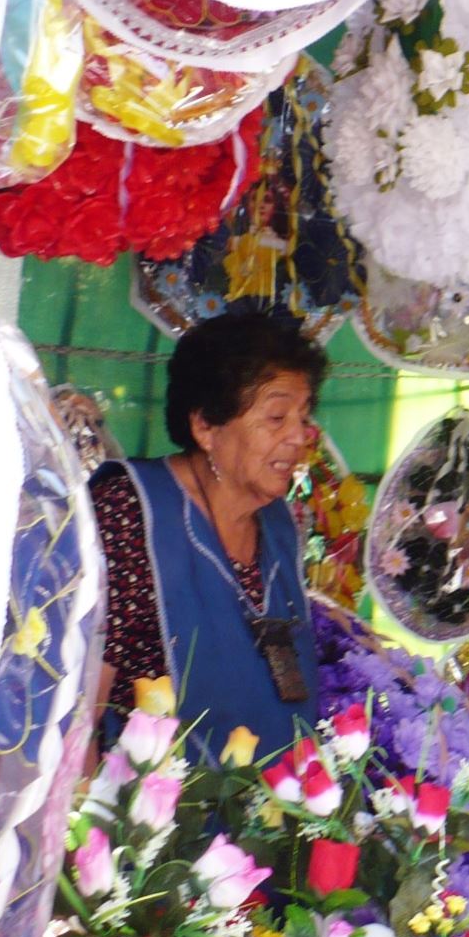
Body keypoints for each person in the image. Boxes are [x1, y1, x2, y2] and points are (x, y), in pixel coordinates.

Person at [91, 313, 326, 758]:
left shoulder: (278, 522)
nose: (300, 436)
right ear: (205, 427)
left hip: (269, 811)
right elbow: (79, 710)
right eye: (276, 416)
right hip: (144, 813)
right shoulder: (129, 512)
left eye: (304, 415)